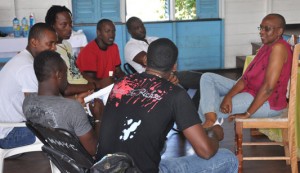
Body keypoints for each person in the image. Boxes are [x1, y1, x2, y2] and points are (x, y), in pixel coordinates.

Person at [97, 38, 238, 173]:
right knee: (228, 158)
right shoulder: (176, 95)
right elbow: (205, 151)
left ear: (146, 60)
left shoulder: (121, 84)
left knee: (159, 144)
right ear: (174, 66)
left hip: (105, 167)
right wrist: (214, 134)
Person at [199, 13, 292, 128]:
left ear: (279, 31)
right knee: (207, 78)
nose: (261, 32)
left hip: (267, 102)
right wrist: (228, 96)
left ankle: (208, 126)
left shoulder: (279, 48)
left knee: (209, 106)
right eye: (261, 28)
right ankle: (211, 123)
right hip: (251, 89)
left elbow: (268, 88)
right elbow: (246, 78)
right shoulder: (266, 46)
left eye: (267, 29)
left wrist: (247, 114)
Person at [23, 50, 103, 156]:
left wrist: (75, 101)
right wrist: (99, 116)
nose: (67, 79)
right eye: (66, 73)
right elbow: (94, 150)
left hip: (58, 157)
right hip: (80, 162)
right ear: (58, 75)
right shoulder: (72, 108)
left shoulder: (28, 101)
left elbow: (55, 107)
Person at [0, 23, 57, 149]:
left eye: (55, 44)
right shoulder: (27, 67)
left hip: (9, 128)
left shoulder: (24, 59)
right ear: (34, 42)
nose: (54, 48)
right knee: (67, 130)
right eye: (50, 44)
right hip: (9, 134)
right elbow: (35, 111)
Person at [45, 5, 110, 95]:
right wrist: (96, 85)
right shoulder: (52, 52)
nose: (69, 28)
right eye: (64, 25)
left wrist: (98, 83)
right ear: (52, 26)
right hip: (76, 95)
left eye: (70, 24)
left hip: (85, 88)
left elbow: (77, 72)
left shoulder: (66, 44)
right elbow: (65, 89)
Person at [125, 16, 201, 89]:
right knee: (182, 92)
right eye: (136, 28)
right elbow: (150, 61)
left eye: (142, 26)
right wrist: (169, 72)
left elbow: (171, 51)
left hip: (170, 74)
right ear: (129, 31)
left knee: (204, 78)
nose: (141, 29)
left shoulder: (153, 39)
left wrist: (170, 71)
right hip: (153, 81)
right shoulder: (130, 46)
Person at [76, 19, 125, 84]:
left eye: (113, 31)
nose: (111, 35)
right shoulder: (88, 51)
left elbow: (118, 71)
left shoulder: (114, 47)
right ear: (99, 33)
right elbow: (90, 80)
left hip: (109, 86)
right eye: (107, 31)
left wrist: (127, 81)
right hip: (93, 89)